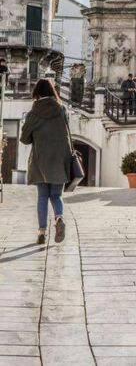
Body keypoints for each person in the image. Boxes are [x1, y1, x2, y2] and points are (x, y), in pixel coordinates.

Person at [20, 78, 72, 245]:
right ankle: (58, 218)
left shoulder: (33, 113)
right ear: (52, 92)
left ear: (37, 93)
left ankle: (42, 232)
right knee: (56, 195)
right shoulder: (62, 109)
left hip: (40, 161)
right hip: (60, 159)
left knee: (42, 196)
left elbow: (24, 139)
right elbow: (67, 131)